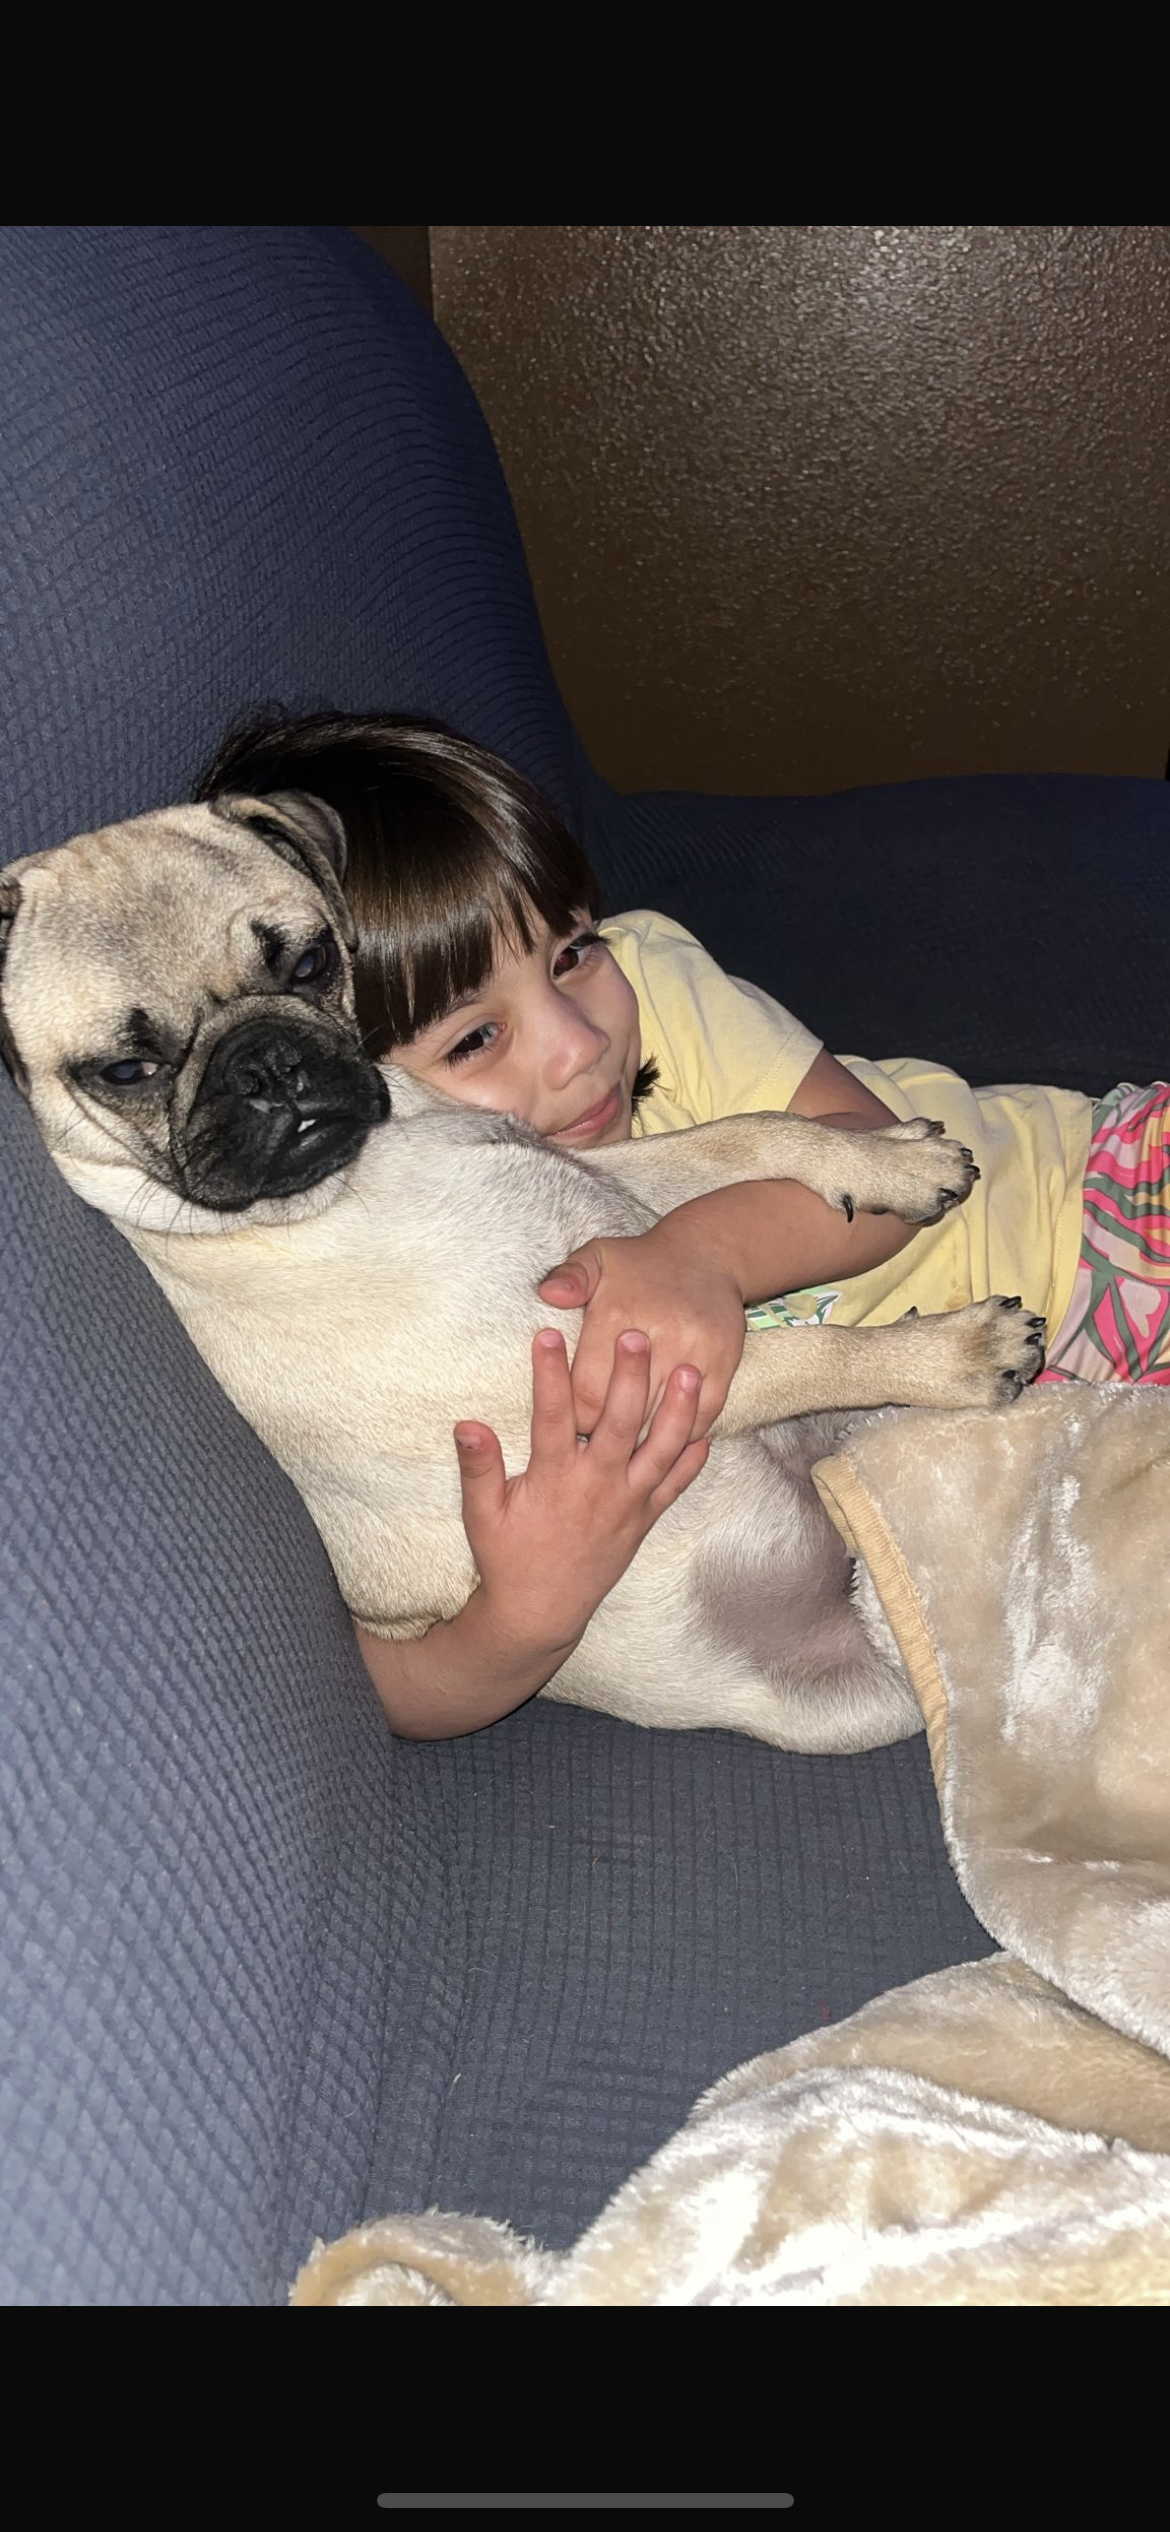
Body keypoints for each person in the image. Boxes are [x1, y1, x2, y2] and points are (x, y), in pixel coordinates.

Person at [194, 712, 1169, 1736]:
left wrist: (696, 1254)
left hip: (1094, 1205)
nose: (578, 1043)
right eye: (476, 1037)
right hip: (1041, 1426)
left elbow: (877, 1172)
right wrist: (522, 1617)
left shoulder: (654, 982)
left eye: (572, 953)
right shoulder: (403, 1285)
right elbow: (401, 1693)